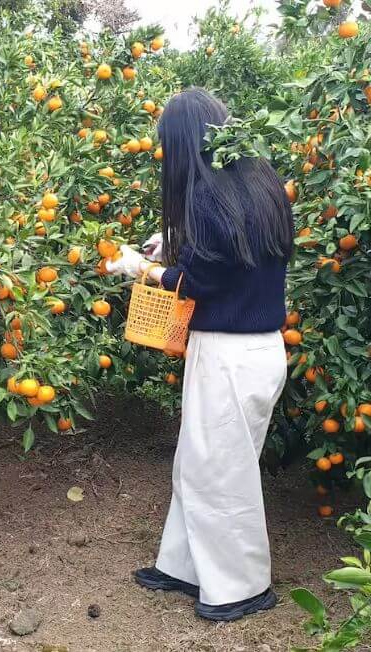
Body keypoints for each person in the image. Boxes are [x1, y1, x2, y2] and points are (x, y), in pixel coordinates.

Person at [106, 87, 293, 622]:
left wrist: (141, 269)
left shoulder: (210, 195)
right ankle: (183, 565)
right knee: (198, 460)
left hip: (233, 354)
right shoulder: (255, 179)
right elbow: (237, 255)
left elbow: (199, 282)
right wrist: (170, 246)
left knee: (222, 471)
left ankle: (243, 585)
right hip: (248, 351)